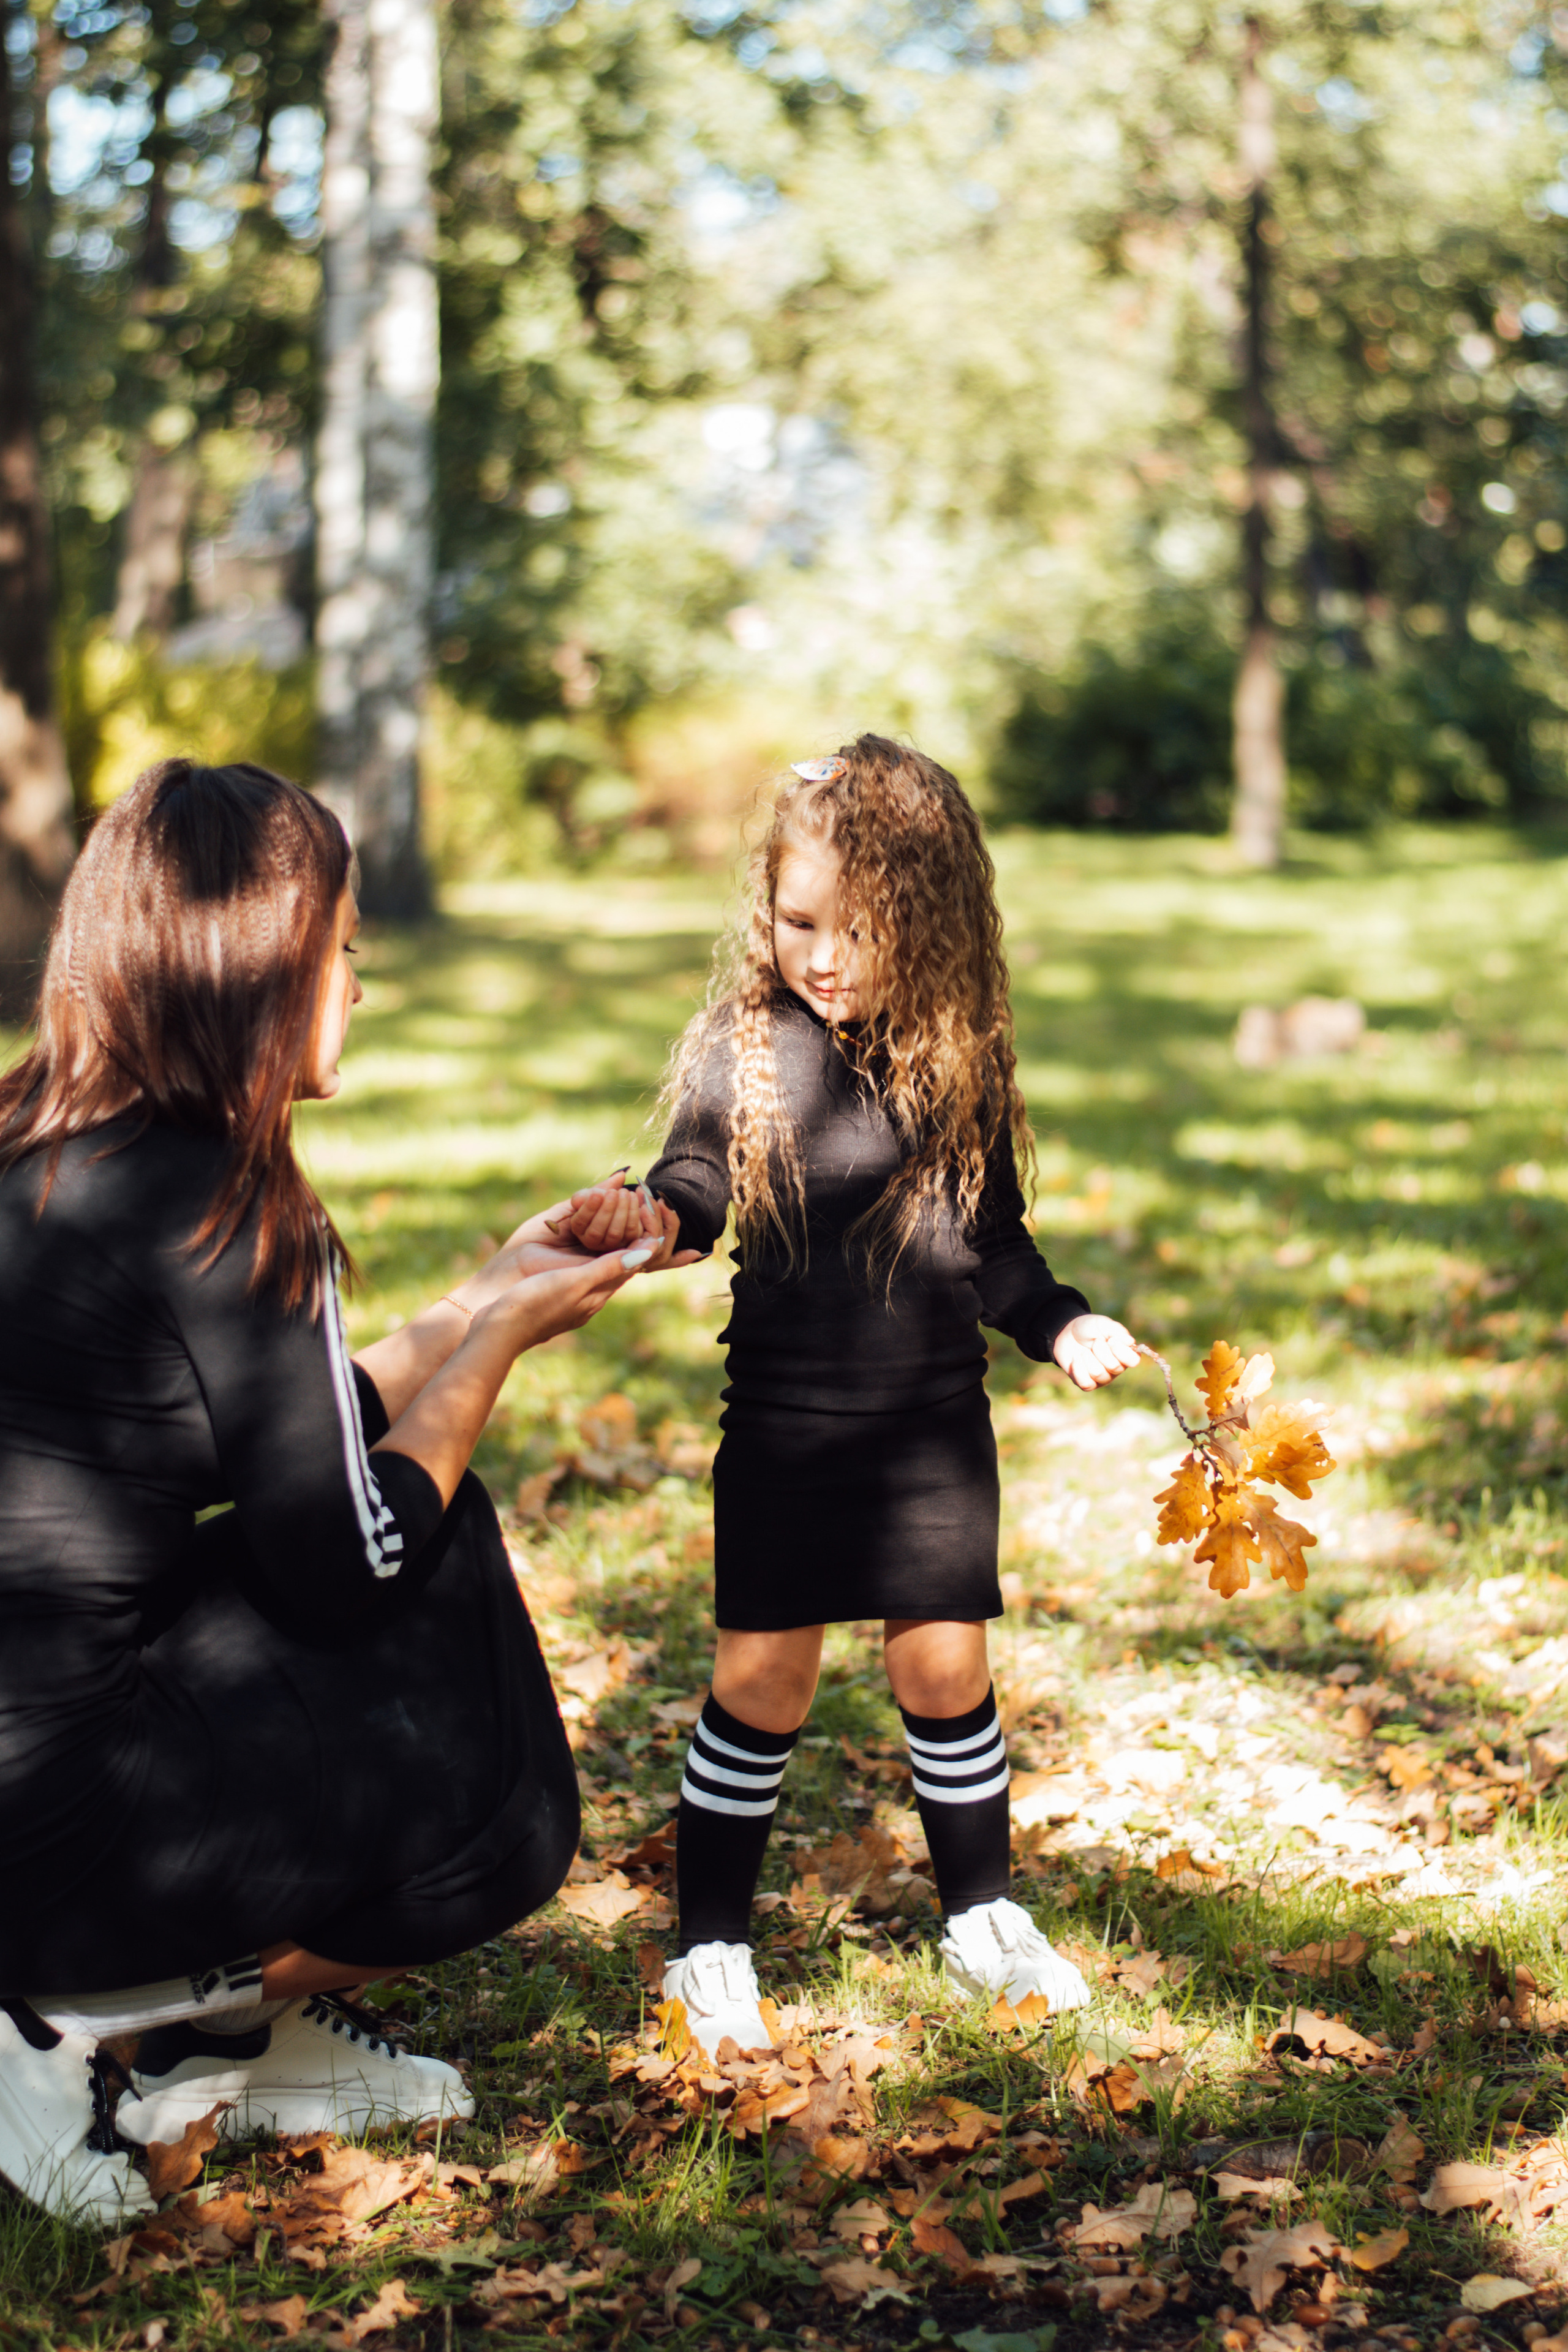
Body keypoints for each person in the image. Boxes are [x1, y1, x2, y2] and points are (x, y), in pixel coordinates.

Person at [0, 759, 669, 2222]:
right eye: (345, 951)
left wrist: (483, 1290)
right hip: (56, 1833)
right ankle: (75, 2017)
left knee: (401, 1525)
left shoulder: (38, 1150)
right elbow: (351, 1558)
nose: (360, 985)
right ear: (264, 965)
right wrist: (493, 1345)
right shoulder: (236, 1212)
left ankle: (251, 2037)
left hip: (30, 1753)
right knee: (502, 1812)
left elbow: (272, 1432)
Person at [559, 736, 1140, 2057]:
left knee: (944, 1670)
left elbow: (995, 1251)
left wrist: (1061, 1326)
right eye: (797, 920)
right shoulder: (743, 1044)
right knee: (763, 1682)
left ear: (928, 926)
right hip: (783, 1430)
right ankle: (706, 1944)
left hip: (933, 1427)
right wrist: (645, 1215)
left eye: (859, 930)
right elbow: (697, 1185)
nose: (820, 955)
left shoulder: (957, 1061)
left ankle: (980, 1912)